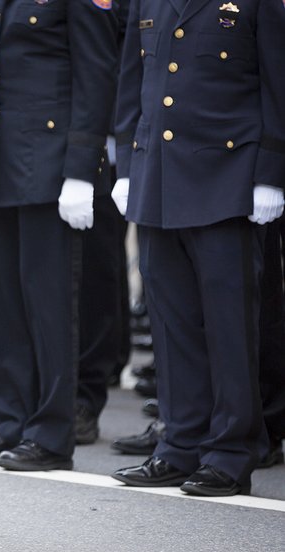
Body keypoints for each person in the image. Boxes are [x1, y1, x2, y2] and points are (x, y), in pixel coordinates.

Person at [110, 0, 285, 496]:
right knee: (172, 321)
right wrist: (126, 164)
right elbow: (132, 83)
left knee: (231, 325)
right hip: (157, 175)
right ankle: (179, 443)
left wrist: (271, 173)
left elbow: (277, 84)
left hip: (226, 176)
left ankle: (232, 452)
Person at [0, 0, 118, 470]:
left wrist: (83, 169)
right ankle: (13, 421)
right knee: (6, 305)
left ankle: (51, 432)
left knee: (48, 306)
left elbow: (96, 73)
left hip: (50, 162)